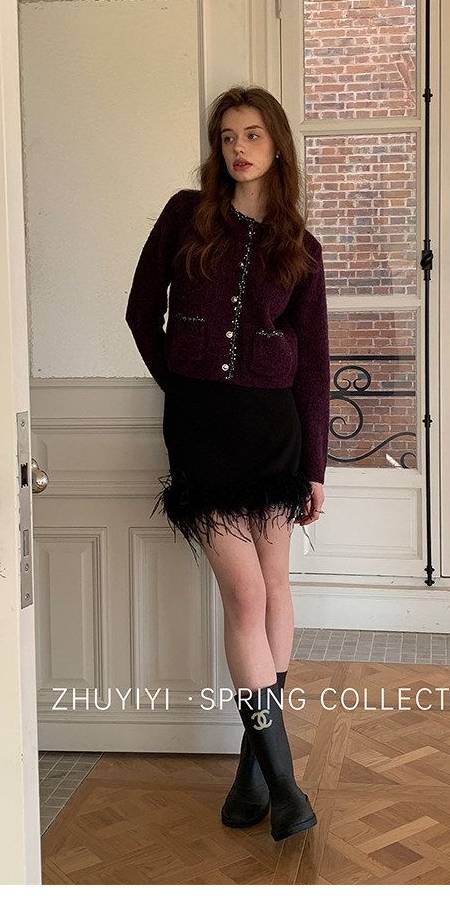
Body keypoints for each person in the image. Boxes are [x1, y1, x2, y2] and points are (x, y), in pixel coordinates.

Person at [125, 85, 330, 842]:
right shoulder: (187, 215)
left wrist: (316, 466)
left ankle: (253, 770)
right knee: (244, 595)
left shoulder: (300, 246)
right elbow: (141, 311)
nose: (238, 148)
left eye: (252, 134)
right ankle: (288, 784)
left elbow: (314, 365)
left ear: (277, 145)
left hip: (274, 432)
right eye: (226, 136)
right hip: (203, 430)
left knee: (274, 587)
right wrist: (183, 384)